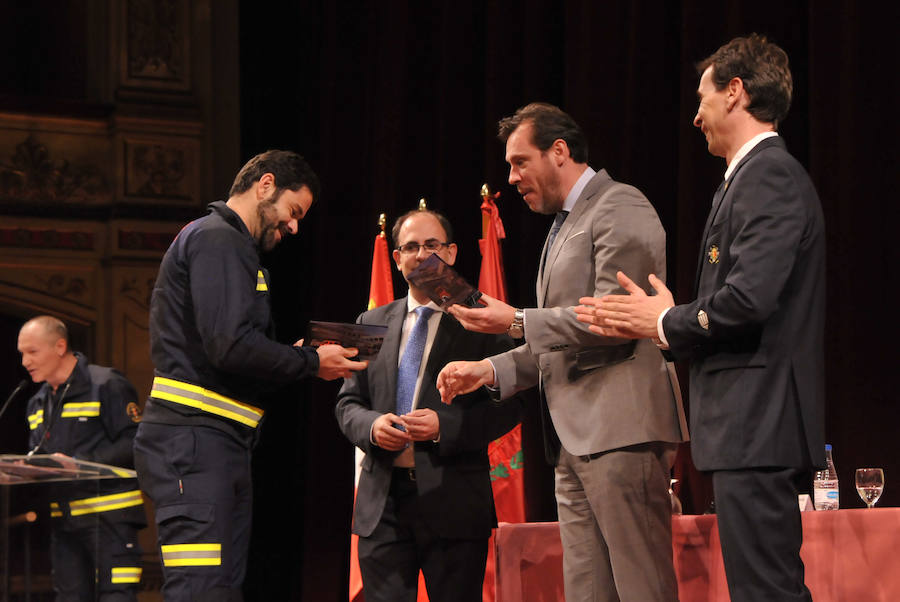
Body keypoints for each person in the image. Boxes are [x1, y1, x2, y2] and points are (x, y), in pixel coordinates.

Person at [575, 34, 825, 602]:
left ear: (735, 92)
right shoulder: (746, 178)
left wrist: (665, 321)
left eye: (703, 97)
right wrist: (668, 320)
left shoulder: (768, 176)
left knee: (767, 591)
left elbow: (747, 300)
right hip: (747, 428)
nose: (695, 116)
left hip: (757, 425)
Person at [436, 103, 688, 602]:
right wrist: (488, 369)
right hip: (571, 443)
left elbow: (617, 316)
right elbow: (559, 341)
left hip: (621, 434)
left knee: (642, 590)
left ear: (559, 152)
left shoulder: (620, 204)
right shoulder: (560, 227)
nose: (511, 178)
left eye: (519, 161)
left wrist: (515, 320)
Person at [132, 150, 366, 601]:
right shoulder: (220, 239)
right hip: (195, 444)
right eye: (292, 211)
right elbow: (231, 347)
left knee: (218, 591)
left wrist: (293, 354)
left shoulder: (227, 244)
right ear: (265, 185)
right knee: (201, 591)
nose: (294, 227)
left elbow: (227, 345)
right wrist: (313, 363)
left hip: (214, 444)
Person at [335, 209, 523, 602]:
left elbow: (512, 406)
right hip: (382, 507)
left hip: (453, 503)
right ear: (396, 257)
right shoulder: (370, 320)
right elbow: (349, 403)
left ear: (451, 254)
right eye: (411, 247)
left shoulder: (482, 320)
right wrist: (370, 426)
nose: (421, 256)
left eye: (432, 246)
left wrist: (445, 426)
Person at [18, 315, 146, 601]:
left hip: (110, 519)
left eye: (32, 352)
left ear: (60, 346)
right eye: (21, 353)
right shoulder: (36, 402)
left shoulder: (106, 384)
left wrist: (79, 463)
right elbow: (38, 457)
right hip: (63, 523)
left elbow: (137, 443)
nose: (25, 361)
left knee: (116, 597)